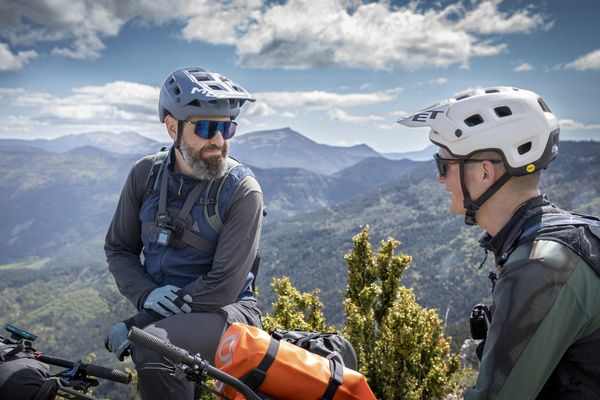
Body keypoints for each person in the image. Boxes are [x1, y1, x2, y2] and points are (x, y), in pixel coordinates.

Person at [398, 87, 600, 399]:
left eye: (443, 165)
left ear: (484, 172)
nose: (439, 179)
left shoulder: (541, 265)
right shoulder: (572, 236)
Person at [104, 67, 264, 399]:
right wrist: (146, 293)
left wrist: (139, 319)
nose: (219, 141)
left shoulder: (242, 190)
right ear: (172, 127)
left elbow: (222, 286)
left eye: (226, 127)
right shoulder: (145, 175)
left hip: (228, 310)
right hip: (168, 311)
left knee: (155, 346)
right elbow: (119, 248)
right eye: (206, 127)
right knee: (158, 340)